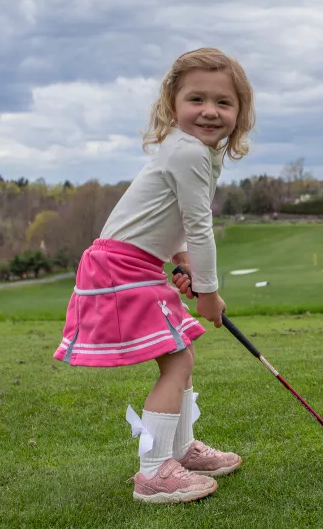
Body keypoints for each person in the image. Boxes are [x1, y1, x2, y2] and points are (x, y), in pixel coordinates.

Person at [52, 47, 255, 504]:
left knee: (181, 355)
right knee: (178, 359)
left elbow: (174, 222)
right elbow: (200, 225)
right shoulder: (187, 152)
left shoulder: (197, 153)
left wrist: (180, 262)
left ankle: (178, 450)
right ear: (173, 105)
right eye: (196, 99)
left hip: (132, 263)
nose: (209, 111)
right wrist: (207, 291)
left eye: (223, 103)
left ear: (240, 113)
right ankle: (153, 472)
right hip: (120, 267)